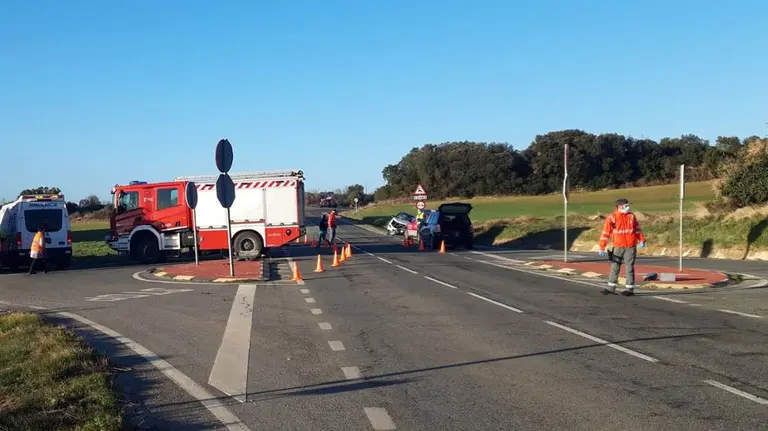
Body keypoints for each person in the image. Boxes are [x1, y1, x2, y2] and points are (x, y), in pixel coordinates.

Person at [597, 198, 646, 296]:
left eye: (628, 205)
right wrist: (602, 246)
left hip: (630, 246)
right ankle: (611, 288)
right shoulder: (612, 218)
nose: (628, 207)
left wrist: (641, 239)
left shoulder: (631, 216)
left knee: (629, 267)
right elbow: (606, 233)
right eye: (626, 205)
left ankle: (630, 289)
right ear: (620, 207)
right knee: (615, 266)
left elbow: (637, 230)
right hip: (618, 246)